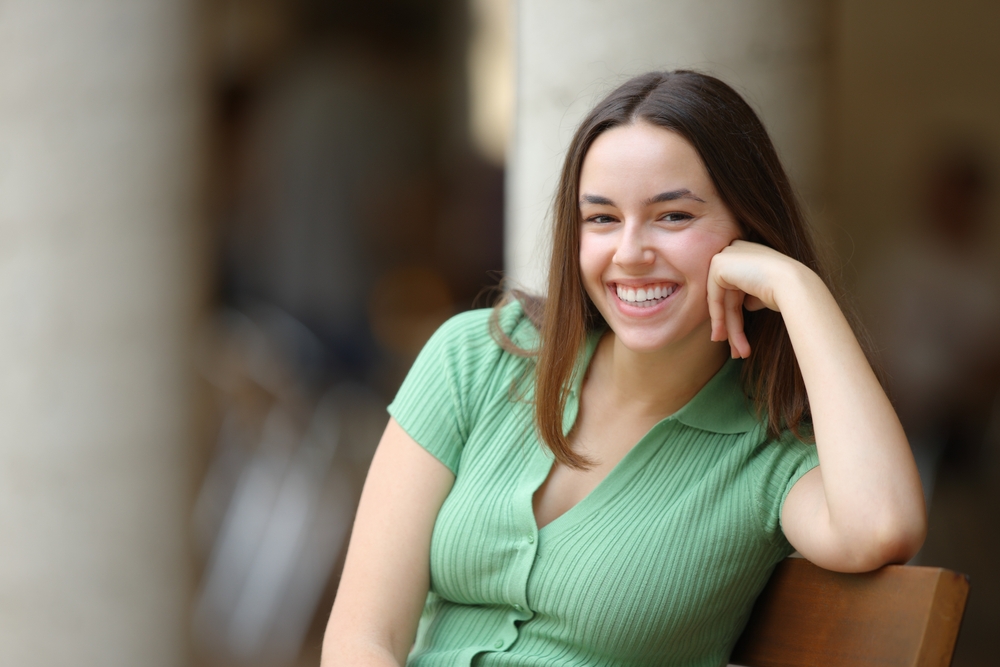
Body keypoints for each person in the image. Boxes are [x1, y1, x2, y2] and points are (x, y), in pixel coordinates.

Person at [321, 70, 927, 667]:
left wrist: (799, 290)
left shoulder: (769, 455)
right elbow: (361, 637)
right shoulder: (476, 359)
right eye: (602, 218)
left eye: (673, 216)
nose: (630, 254)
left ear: (749, 237)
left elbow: (880, 527)